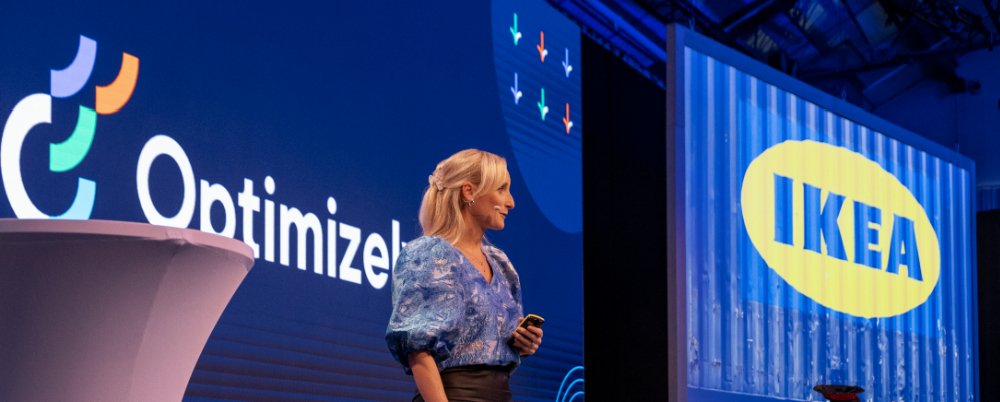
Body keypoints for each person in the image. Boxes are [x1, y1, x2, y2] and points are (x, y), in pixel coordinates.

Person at [385, 149, 544, 402]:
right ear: (469, 192)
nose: (511, 202)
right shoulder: (431, 253)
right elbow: (418, 349)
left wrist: (522, 343)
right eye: (501, 188)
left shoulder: (501, 264)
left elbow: (488, 344)